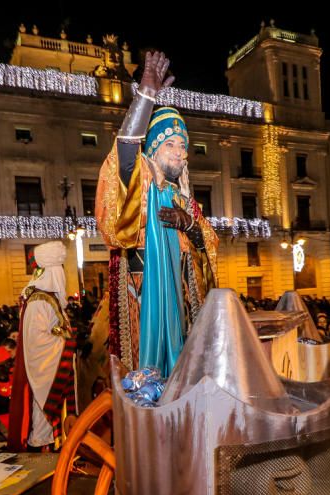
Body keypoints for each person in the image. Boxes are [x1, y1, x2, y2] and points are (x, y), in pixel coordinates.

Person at [96, 51, 218, 376]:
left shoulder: (183, 198)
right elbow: (123, 153)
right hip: (143, 301)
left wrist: (188, 223)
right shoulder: (140, 183)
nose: (181, 153)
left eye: (183, 146)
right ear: (152, 147)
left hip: (181, 307)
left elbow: (210, 242)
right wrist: (146, 97)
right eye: (171, 145)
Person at [8, 242, 77, 452]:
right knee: (42, 419)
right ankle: (43, 452)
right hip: (44, 372)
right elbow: (36, 343)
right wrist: (66, 343)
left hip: (50, 371)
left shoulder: (49, 298)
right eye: (61, 269)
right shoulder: (39, 301)